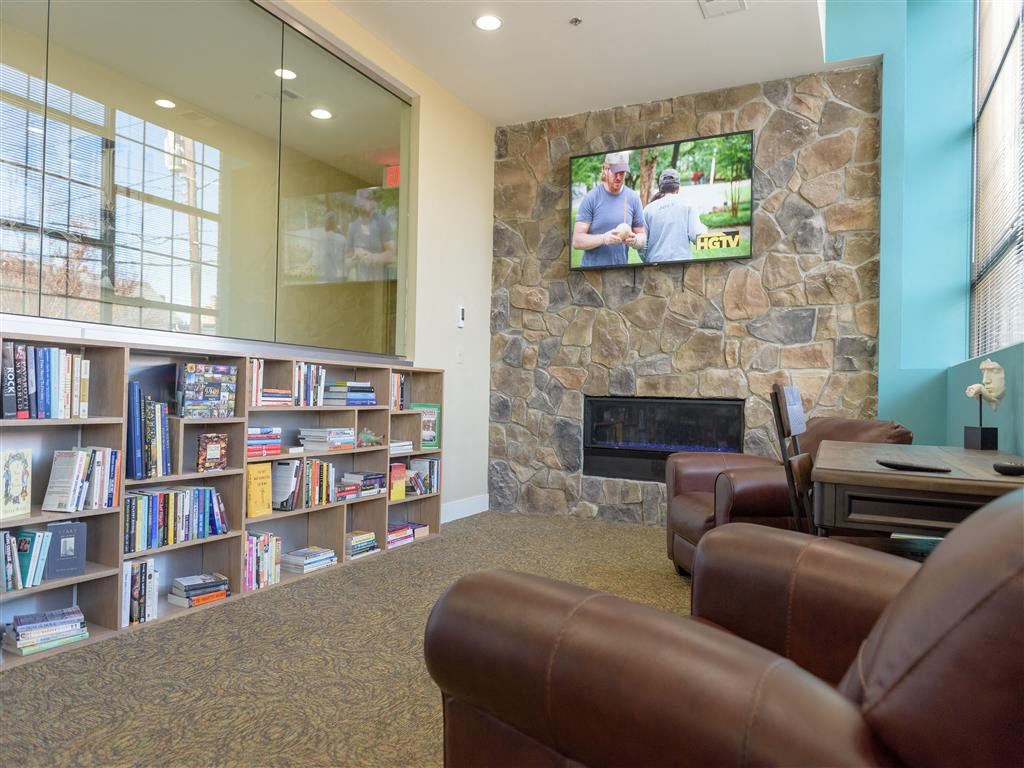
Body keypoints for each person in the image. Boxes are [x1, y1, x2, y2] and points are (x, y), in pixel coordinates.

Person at [572, 151, 645, 268]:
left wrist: (636, 241)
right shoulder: (591, 198)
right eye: (615, 172)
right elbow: (577, 241)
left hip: (620, 273)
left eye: (622, 172)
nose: (619, 177)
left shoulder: (633, 198)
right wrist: (603, 239)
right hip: (591, 274)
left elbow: (642, 235)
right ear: (605, 170)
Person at [642, 168, 708, 263]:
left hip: (654, 267)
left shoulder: (647, 210)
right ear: (678, 188)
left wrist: (647, 260)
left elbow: (642, 246)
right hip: (682, 266)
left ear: (660, 187)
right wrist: (704, 229)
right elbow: (697, 238)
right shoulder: (688, 205)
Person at [346, 191, 396, 281]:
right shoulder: (353, 226)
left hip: (380, 284)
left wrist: (372, 258)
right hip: (361, 284)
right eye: (358, 204)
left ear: (372, 202)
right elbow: (347, 260)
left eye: (363, 204)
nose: (360, 207)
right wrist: (355, 259)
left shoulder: (382, 222)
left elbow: (392, 256)